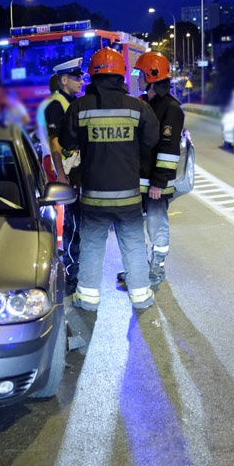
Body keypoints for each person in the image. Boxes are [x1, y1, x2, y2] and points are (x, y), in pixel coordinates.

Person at [59, 49, 160, 312]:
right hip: (129, 195)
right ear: (121, 74)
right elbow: (151, 141)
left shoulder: (79, 107)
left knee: (92, 246)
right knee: (134, 244)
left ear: (92, 74)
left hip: (93, 196)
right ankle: (140, 296)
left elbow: (67, 142)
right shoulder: (139, 107)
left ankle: (88, 299)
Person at [117, 52, 185, 288]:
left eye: (140, 74)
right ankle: (138, 268)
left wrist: (159, 182)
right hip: (139, 180)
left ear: (152, 76)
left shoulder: (171, 109)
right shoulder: (147, 103)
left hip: (155, 183)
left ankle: (157, 268)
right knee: (135, 225)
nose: (137, 78)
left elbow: (168, 149)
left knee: (157, 223)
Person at [38, 58, 85, 294]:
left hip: (76, 171)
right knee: (72, 224)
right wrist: (61, 174)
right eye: (76, 77)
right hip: (64, 172)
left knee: (77, 222)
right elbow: (54, 142)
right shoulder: (55, 105)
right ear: (63, 80)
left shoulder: (72, 102)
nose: (81, 80)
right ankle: (70, 273)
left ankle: (77, 269)